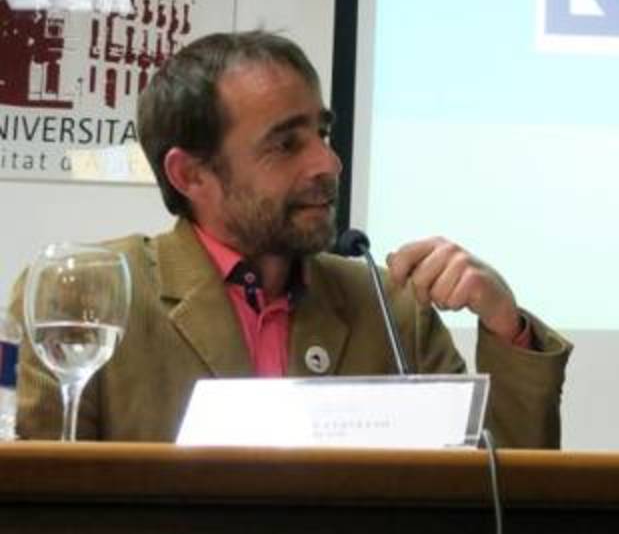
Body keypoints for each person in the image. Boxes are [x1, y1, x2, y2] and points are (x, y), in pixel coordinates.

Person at [12, 30, 571, 447]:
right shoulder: (93, 295)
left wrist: (505, 325)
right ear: (192, 175)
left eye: (321, 133)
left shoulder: (392, 309)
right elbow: (40, 496)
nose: (328, 162)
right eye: (285, 144)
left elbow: (503, 495)